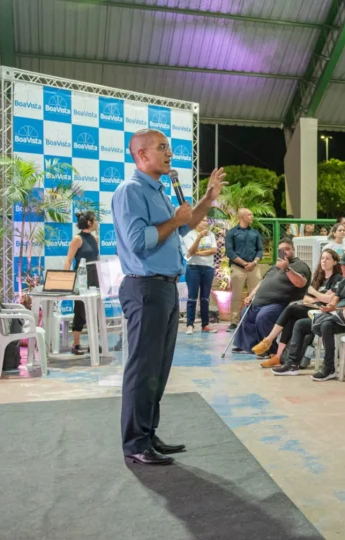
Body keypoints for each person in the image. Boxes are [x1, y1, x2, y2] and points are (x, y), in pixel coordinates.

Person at [112, 128, 225, 465]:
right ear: (141, 154)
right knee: (142, 368)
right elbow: (139, 241)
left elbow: (181, 227)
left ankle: (147, 434)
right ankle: (134, 442)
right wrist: (175, 219)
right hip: (145, 288)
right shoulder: (131, 191)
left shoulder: (159, 191)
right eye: (162, 148)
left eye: (169, 149)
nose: (169, 154)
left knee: (157, 370)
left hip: (163, 288)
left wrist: (207, 201)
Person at [272, 251, 345, 380]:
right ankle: (292, 363)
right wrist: (327, 307)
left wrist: (335, 308)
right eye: (342, 266)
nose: (343, 269)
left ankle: (329, 367)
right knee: (300, 324)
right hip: (335, 315)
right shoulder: (343, 282)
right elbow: (334, 300)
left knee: (326, 325)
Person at [252, 249, 343, 368]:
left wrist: (314, 293)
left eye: (327, 258)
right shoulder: (318, 277)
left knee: (291, 309)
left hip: (323, 313)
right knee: (290, 320)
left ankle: (268, 340)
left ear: (335, 262)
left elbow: (330, 300)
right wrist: (319, 297)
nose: (324, 261)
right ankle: (278, 357)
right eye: (322, 258)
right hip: (312, 308)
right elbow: (306, 298)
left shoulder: (337, 279)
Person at [232, 238, 311, 354]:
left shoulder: (300, 265)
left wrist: (287, 268)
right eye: (281, 250)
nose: (284, 252)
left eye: (287, 249)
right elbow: (263, 282)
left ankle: (269, 349)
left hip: (280, 303)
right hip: (260, 301)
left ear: (293, 250)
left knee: (263, 316)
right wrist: (251, 295)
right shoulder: (275, 267)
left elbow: (301, 283)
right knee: (246, 312)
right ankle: (249, 345)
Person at [64, 210, 100, 355]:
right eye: (95, 220)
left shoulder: (95, 238)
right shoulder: (77, 239)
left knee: (95, 309)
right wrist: (67, 281)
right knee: (80, 309)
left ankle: (94, 342)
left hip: (95, 275)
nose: (97, 222)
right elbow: (68, 260)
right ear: (90, 223)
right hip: (81, 277)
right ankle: (76, 343)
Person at [225, 208, 263, 330]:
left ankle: (254, 319)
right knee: (237, 294)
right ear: (242, 217)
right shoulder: (232, 233)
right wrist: (244, 263)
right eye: (249, 214)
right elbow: (230, 252)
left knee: (255, 293)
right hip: (237, 268)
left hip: (254, 267)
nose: (252, 216)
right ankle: (234, 321)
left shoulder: (255, 233)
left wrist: (254, 262)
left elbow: (260, 250)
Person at [182, 219, 218, 335]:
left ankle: (205, 324)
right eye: (202, 220)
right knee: (192, 298)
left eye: (206, 220)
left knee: (205, 298)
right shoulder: (189, 235)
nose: (205, 222)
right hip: (193, 267)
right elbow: (190, 250)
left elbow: (214, 250)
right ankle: (190, 325)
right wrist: (199, 238)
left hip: (208, 267)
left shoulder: (210, 234)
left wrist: (198, 253)